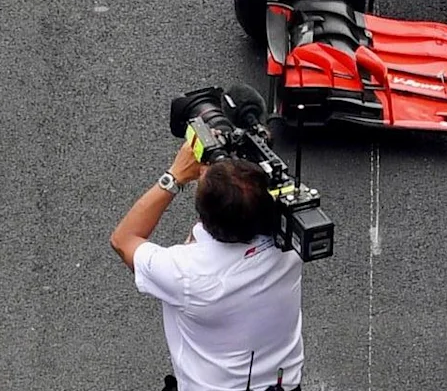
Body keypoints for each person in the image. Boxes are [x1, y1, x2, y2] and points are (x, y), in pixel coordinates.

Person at [109, 135, 304, 391]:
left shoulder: (187, 274)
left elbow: (123, 239)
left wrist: (174, 176)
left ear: (203, 216)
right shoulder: (294, 246)